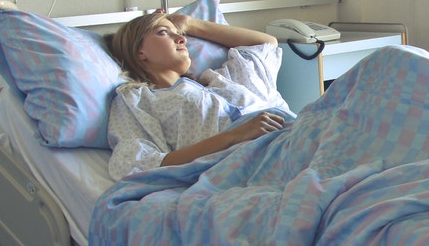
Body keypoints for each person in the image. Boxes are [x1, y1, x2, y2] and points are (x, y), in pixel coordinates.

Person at [104, 10, 292, 179]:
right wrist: (234, 135)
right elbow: (135, 164)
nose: (181, 39)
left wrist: (190, 24)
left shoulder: (217, 80)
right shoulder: (136, 100)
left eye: (179, 33)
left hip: (289, 138)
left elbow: (266, 43)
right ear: (139, 52)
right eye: (163, 32)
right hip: (254, 164)